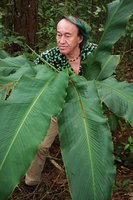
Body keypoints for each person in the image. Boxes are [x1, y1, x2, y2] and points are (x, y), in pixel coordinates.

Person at [25, 15, 97, 189]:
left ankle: (88, 183)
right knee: (40, 146)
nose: (61, 41)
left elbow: (108, 79)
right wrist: (48, 108)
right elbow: (31, 82)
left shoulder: (94, 54)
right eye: (58, 35)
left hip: (85, 107)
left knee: (87, 146)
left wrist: (98, 100)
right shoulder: (48, 57)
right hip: (55, 108)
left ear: (80, 38)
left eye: (67, 35)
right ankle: (31, 182)